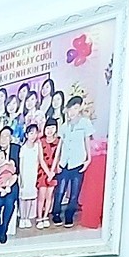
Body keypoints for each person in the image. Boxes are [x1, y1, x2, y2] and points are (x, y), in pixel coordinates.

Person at [53, 95, 93, 227]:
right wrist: (57, 164)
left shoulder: (85, 123)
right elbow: (59, 146)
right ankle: (56, 213)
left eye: (76, 108)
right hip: (64, 162)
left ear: (80, 108)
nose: (73, 111)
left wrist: (88, 159)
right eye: (71, 108)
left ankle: (69, 215)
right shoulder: (64, 126)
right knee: (60, 190)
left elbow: (87, 142)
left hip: (78, 162)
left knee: (75, 192)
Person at [36, 119, 62, 229]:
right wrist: (48, 172)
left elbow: (56, 157)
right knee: (41, 196)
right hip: (43, 171)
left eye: (52, 127)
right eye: (48, 128)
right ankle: (39, 217)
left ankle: (46, 216)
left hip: (53, 170)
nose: (50, 130)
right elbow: (41, 159)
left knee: (49, 196)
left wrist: (52, 173)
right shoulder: (40, 141)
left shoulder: (59, 141)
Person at [18, 122, 42, 228]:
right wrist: (21, 179)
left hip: (33, 175)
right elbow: (21, 165)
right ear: (26, 135)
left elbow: (39, 161)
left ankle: (27, 217)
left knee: (30, 198)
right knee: (23, 198)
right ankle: (22, 217)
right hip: (25, 175)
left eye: (35, 133)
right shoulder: (23, 148)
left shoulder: (37, 146)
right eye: (31, 133)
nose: (33, 136)